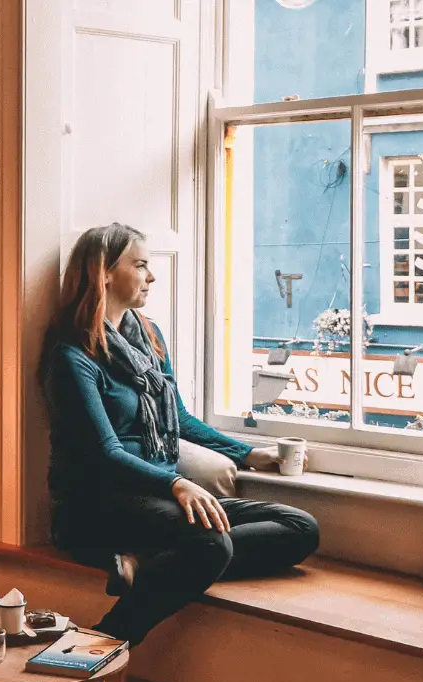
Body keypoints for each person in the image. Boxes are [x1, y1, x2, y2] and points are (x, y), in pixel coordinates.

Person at [43, 223, 319, 645]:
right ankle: (101, 644)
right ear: (103, 274)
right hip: (98, 505)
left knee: (299, 528)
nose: (151, 276)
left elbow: (180, 419)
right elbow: (105, 453)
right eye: (140, 266)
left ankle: (148, 562)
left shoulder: (148, 336)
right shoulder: (72, 354)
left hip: (156, 500)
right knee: (212, 547)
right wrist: (177, 483)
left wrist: (246, 453)